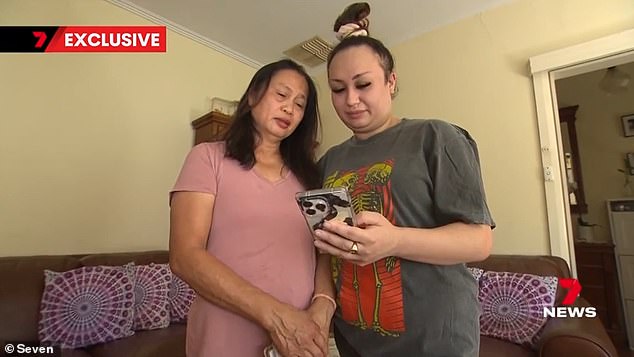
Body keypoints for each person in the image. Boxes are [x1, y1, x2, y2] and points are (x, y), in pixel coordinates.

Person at [311, 15, 496, 357]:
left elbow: (479, 240)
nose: (350, 100)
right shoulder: (329, 161)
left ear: (391, 82)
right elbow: (325, 249)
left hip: (436, 343)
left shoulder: (436, 137)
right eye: (338, 89)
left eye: (363, 84)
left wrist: (394, 240)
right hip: (355, 341)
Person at [169, 59, 335, 357]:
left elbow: (323, 249)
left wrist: (324, 302)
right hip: (226, 335)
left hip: (298, 337)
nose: (289, 109)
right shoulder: (207, 158)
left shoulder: (311, 177)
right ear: (252, 96)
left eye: (299, 105)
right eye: (281, 95)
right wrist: (276, 316)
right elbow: (185, 256)